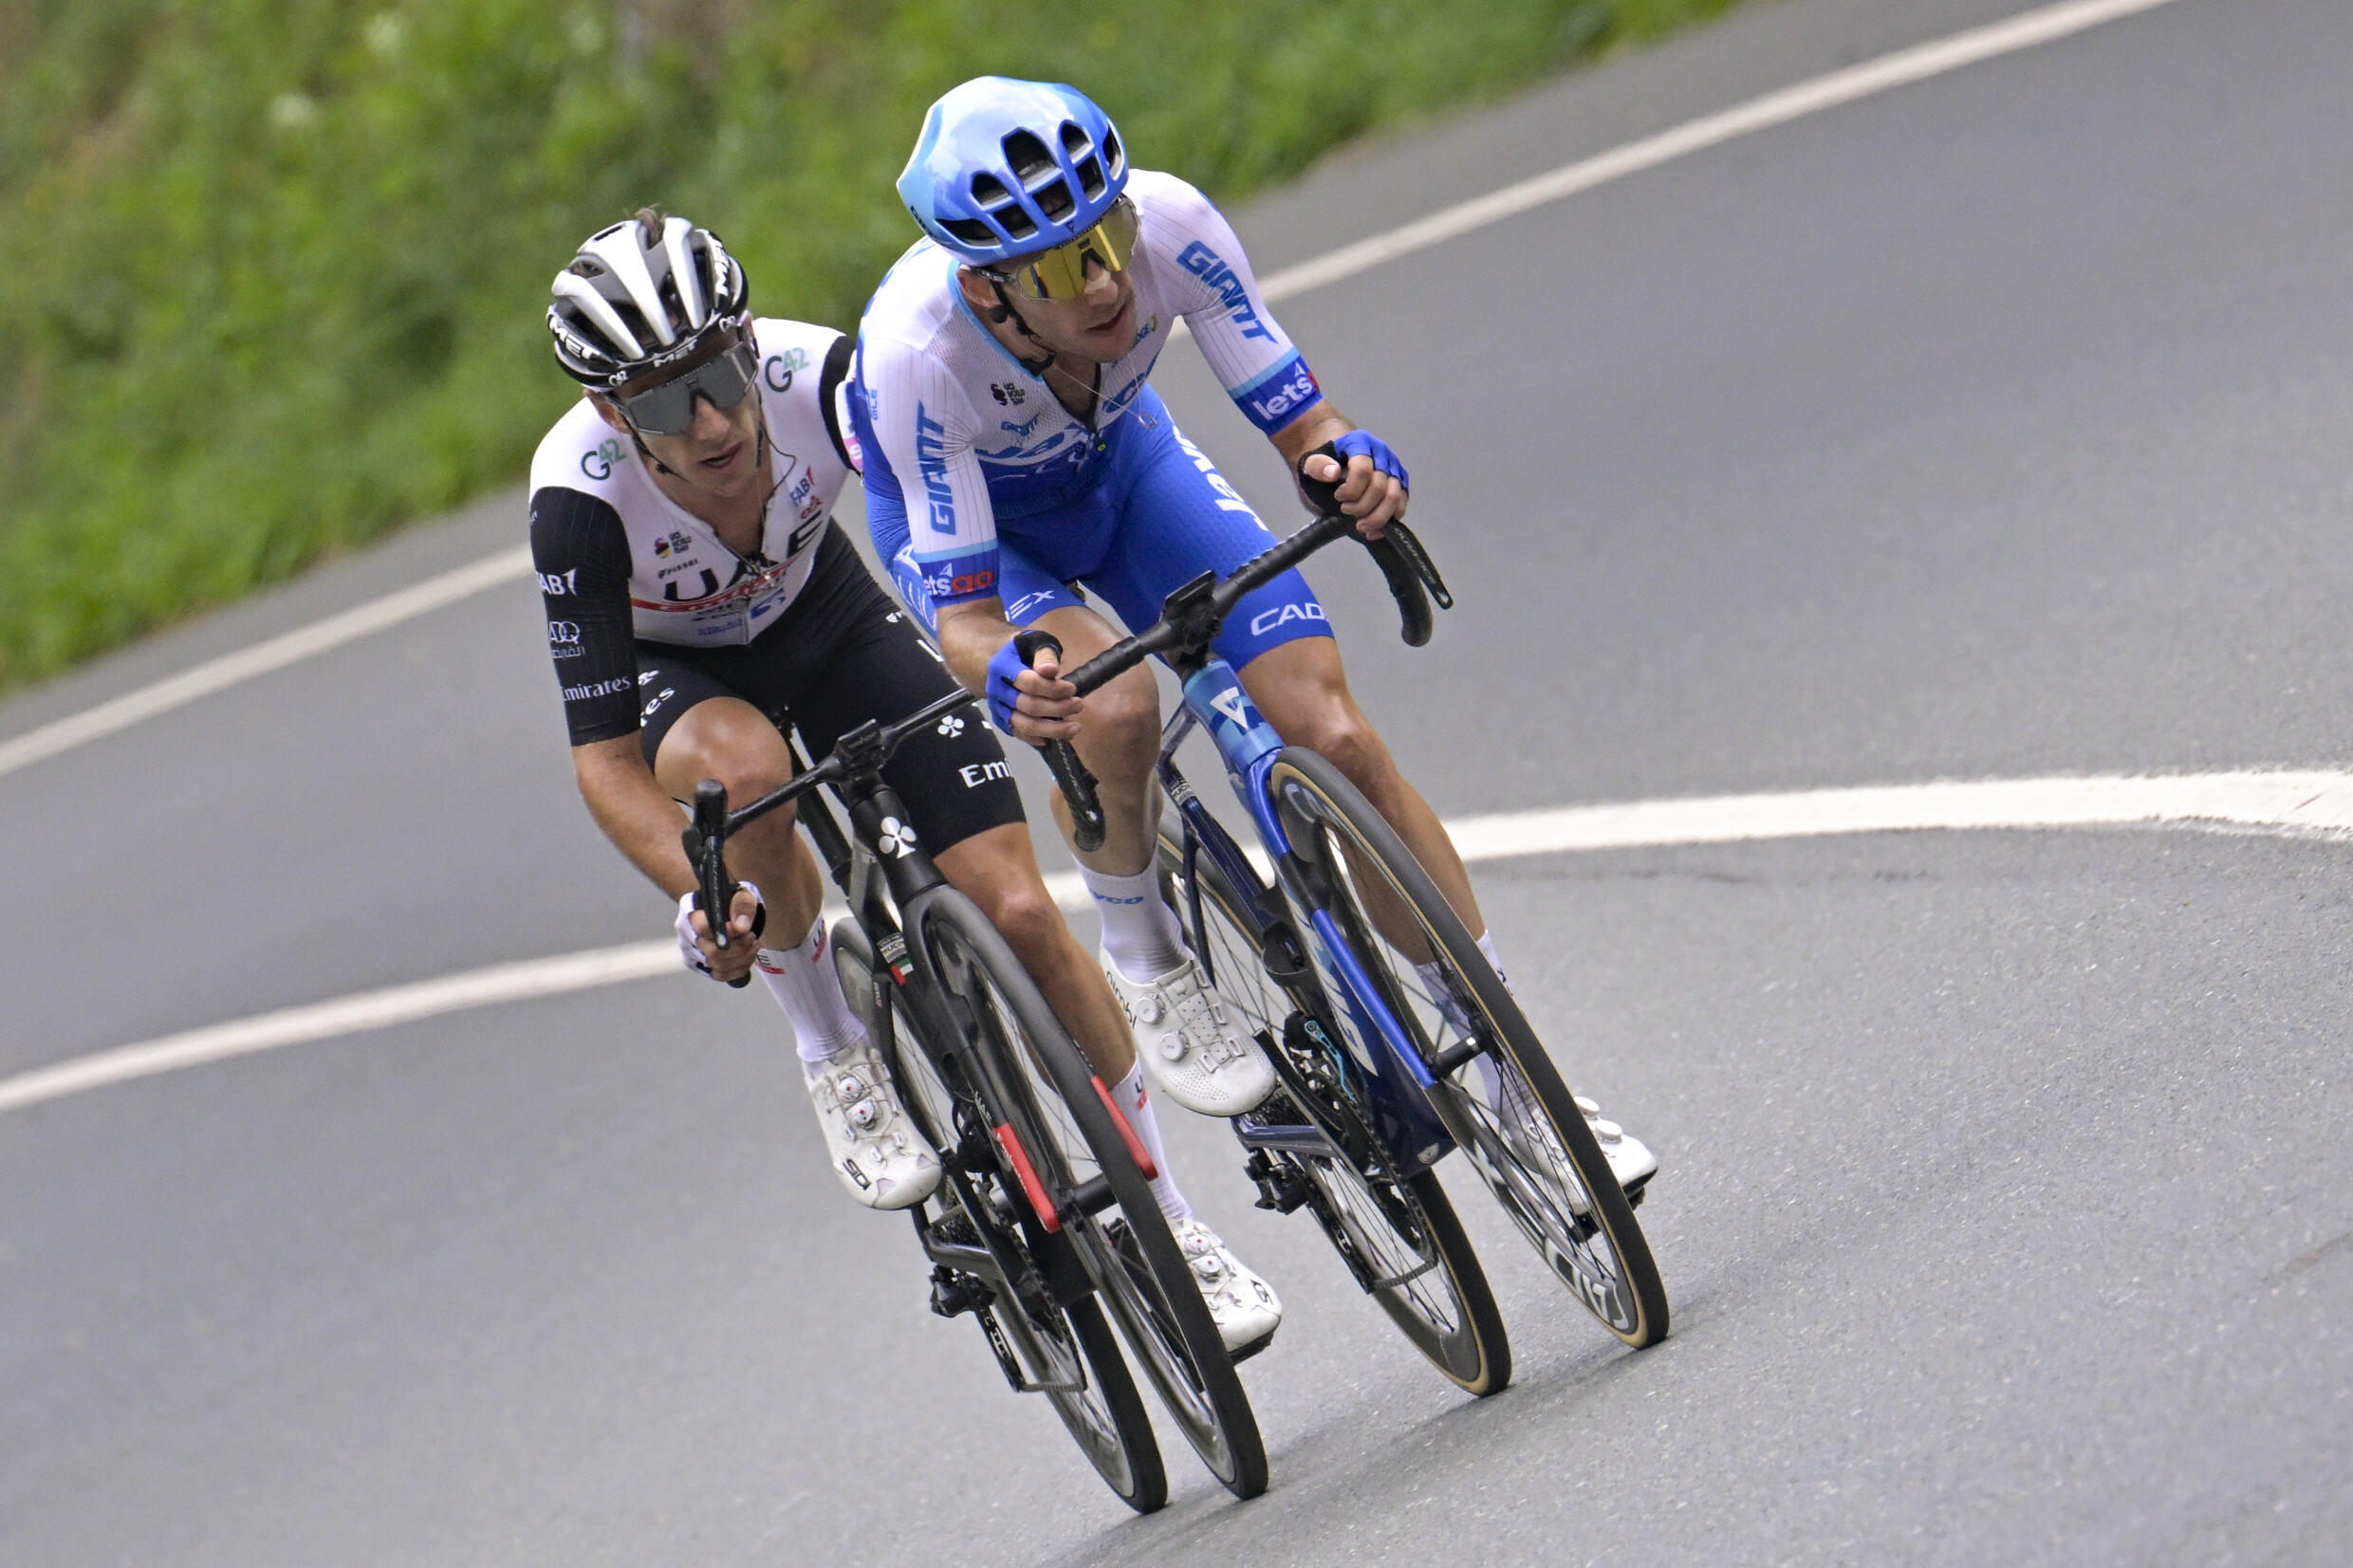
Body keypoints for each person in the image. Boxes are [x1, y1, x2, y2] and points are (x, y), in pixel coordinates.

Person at [852, 78, 1656, 1191]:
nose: (1102, 281)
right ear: (990, 290)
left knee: (1337, 739)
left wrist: (1349, 468)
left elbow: (1307, 425)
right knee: (1113, 708)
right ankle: (1141, 944)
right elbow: (968, 620)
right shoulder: (914, 355)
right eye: (1059, 268)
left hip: (1125, 467)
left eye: (1106, 237)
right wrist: (1007, 676)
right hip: (991, 546)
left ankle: (1523, 1080)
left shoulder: (1174, 224)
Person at [531, 209, 1280, 1349]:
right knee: (748, 773)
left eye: (720, 376)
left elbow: (940, 515)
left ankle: (1170, 1219)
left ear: (749, 343)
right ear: (610, 412)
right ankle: (830, 1041)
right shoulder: (578, 502)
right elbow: (604, 763)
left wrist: (998, 645)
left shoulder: (825, 378)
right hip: (679, 675)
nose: (713, 421)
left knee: (1019, 910)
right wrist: (701, 895)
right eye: (665, 404)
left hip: (829, 617)